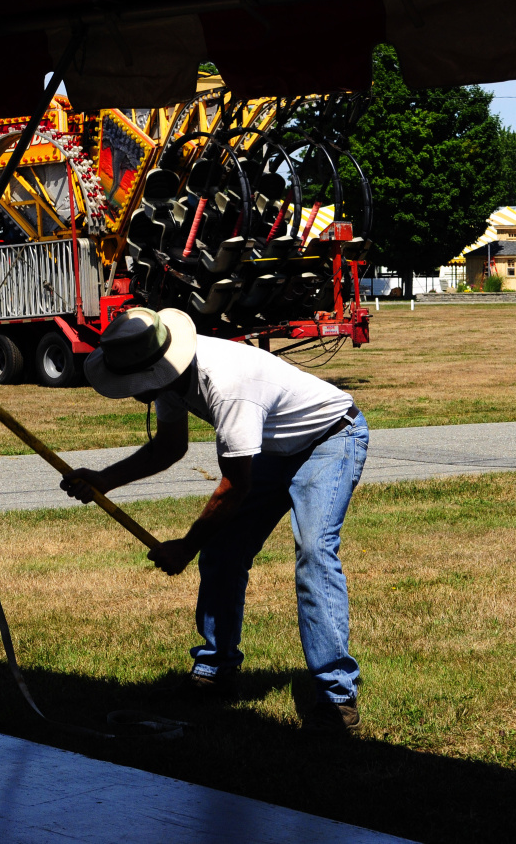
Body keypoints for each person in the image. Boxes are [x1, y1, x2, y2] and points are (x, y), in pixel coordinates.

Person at [60, 307, 368, 733]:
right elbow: (168, 448)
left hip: (329, 439)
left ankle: (336, 698)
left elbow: (235, 485)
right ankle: (214, 674)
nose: (134, 392)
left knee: (314, 553)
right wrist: (104, 480)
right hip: (274, 450)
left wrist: (186, 546)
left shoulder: (226, 385)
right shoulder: (170, 374)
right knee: (223, 551)